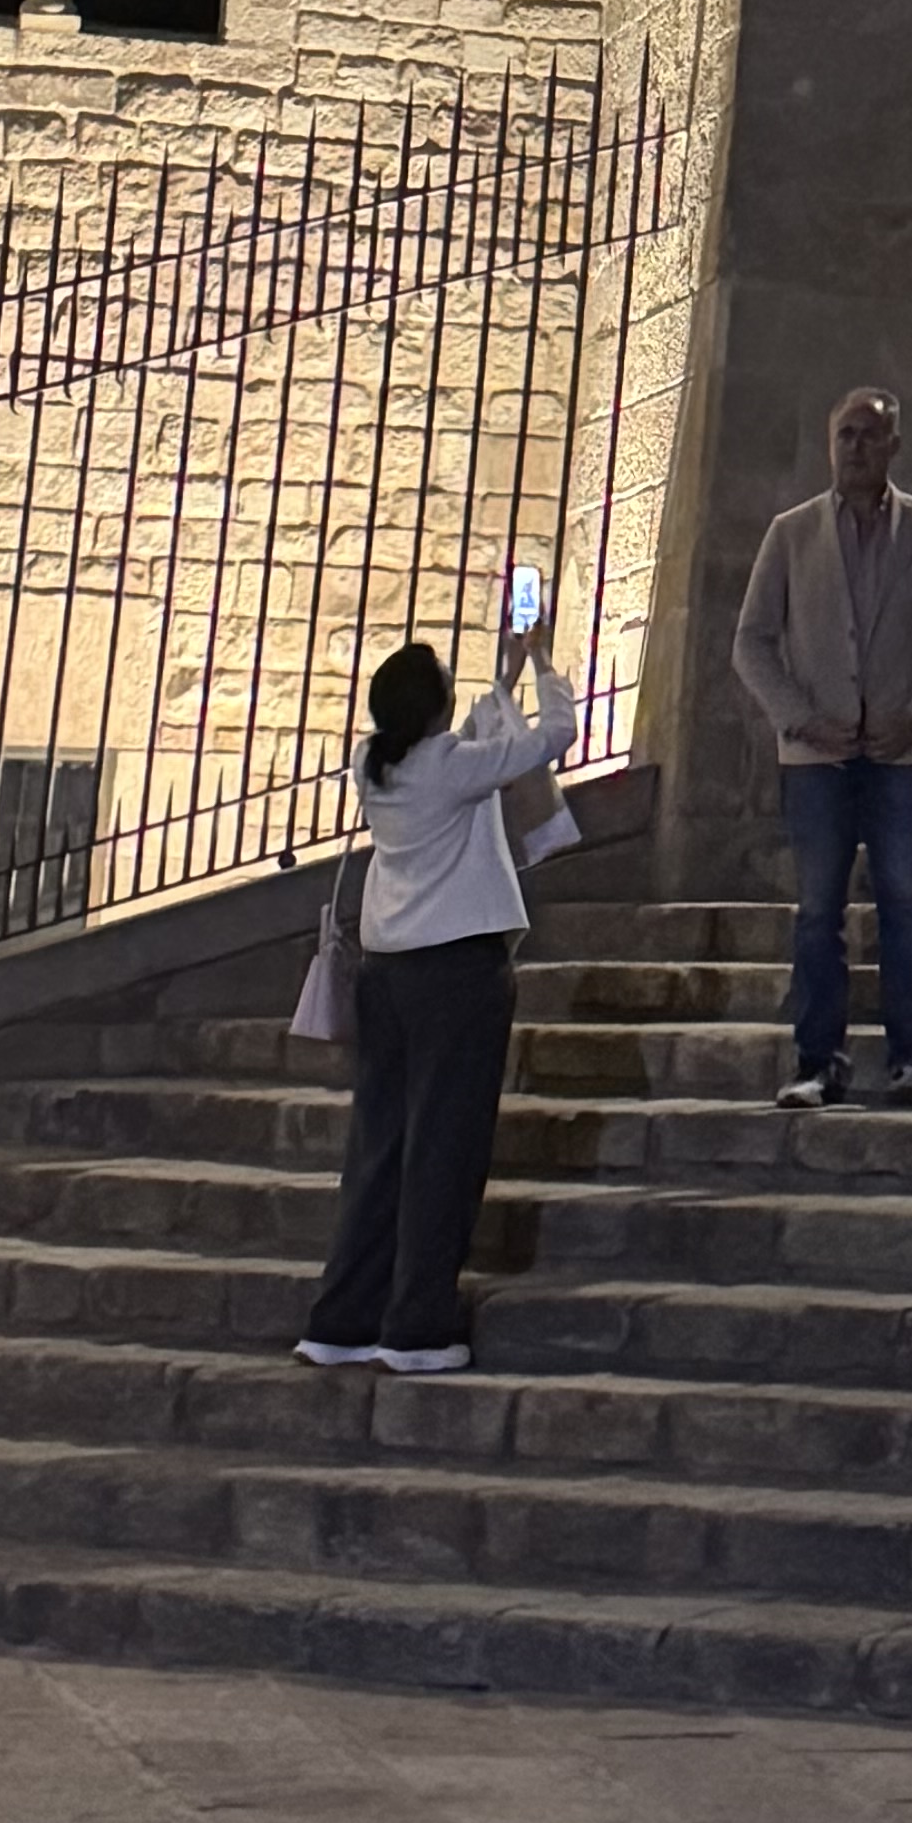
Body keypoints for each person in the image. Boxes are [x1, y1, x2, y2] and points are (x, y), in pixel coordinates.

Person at [296, 590, 578, 1379]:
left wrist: (502, 676)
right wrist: (543, 662)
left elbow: (474, 744)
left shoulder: (373, 763)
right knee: (443, 1150)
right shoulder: (449, 769)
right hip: (455, 972)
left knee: (379, 1148)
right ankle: (417, 1326)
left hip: (386, 974)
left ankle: (342, 1319)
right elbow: (554, 736)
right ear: (434, 709)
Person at [732, 385, 912, 1106]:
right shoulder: (791, 534)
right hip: (818, 758)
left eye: (870, 435)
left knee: (904, 902)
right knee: (819, 909)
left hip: (900, 756)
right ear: (829, 443)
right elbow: (751, 642)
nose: (856, 447)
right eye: (845, 434)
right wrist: (799, 718)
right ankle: (818, 1063)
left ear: (893, 446)